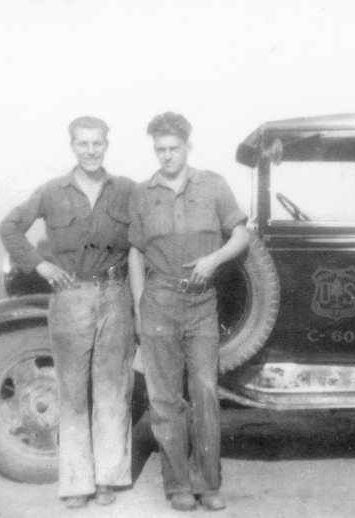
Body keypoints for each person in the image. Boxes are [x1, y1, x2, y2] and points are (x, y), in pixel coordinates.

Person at [0, 116, 137, 509]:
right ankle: (77, 482)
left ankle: (109, 477)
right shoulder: (51, 191)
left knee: (112, 390)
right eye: (83, 144)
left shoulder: (126, 190)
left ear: (106, 145)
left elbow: (143, 239)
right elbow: (10, 228)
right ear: (73, 146)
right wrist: (38, 265)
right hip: (70, 296)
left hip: (115, 295)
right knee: (73, 391)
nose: (91, 151)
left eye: (97, 144)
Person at [128, 112, 250, 512]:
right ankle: (177, 485)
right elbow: (135, 252)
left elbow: (241, 234)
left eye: (173, 148)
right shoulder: (143, 193)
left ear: (187, 147)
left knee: (205, 392)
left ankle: (209, 483)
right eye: (160, 149)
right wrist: (140, 306)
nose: (166, 156)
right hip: (159, 300)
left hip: (202, 302)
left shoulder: (213, 185)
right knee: (164, 399)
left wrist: (213, 260)